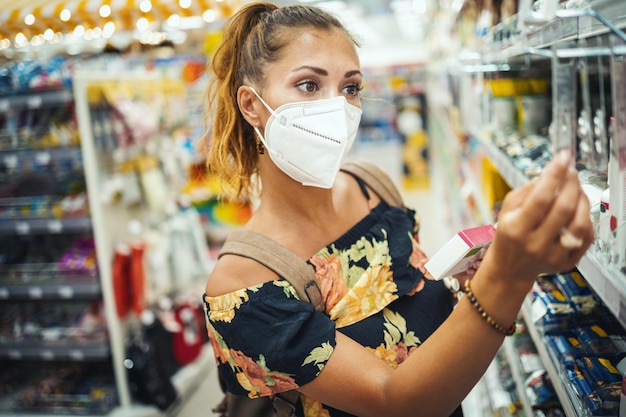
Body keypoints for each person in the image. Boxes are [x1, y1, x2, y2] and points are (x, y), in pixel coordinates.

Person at [201, 2, 594, 417]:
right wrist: (507, 277)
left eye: (350, 88)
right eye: (309, 86)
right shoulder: (242, 282)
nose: (337, 108)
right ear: (251, 105)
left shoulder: (373, 186)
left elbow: (409, 315)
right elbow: (395, 401)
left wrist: (466, 283)